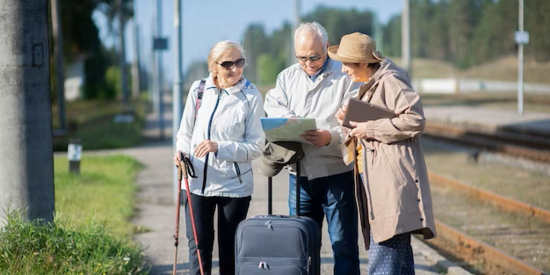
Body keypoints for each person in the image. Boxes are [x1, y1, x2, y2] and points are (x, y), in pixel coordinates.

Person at [331, 32, 437, 274]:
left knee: (383, 262)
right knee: (396, 263)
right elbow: (370, 130)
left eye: (346, 64)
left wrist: (369, 127)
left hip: (390, 186)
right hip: (379, 183)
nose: (343, 71)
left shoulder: (390, 81)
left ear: (364, 63)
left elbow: (415, 119)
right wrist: (348, 124)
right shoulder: (373, 83)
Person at [264, 22, 361, 275]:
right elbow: (273, 105)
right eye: (301, 57)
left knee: (344, 247)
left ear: (327, 48)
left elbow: (357, 122)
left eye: (314, 57)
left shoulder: (345, 75)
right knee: (301, 248)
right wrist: (288, 121)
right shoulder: (286, 77)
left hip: (337, 173)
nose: (307, 62)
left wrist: (330, 136)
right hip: (300, 176)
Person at [174, 40, 265, 275]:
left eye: (239, 62)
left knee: (229, 253)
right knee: (198, 248)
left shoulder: (251, 96)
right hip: (195, 184)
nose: (235, 68)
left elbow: (256, 146)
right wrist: (182, 153)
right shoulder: (199, 90)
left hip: (234, 187)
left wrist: (219, 147)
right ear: (214, 66)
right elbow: (185, 132)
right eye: (227, 64)